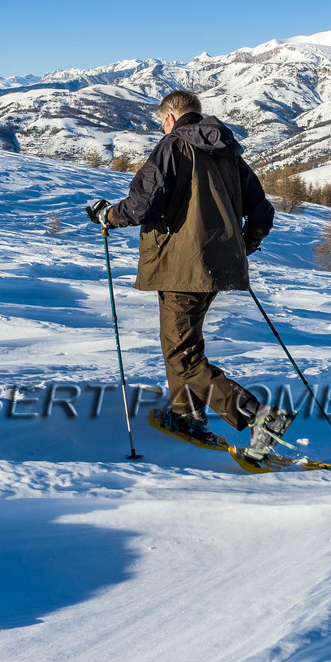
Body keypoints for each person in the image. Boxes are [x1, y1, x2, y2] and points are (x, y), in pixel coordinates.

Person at [85, 90, 292, 458]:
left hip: (182, 266)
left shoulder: (173, 146)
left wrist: (108, 215)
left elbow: (143, 204)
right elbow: (262, 211)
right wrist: (242, 246)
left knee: (182, 353)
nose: (162, 128)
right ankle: (188, 415)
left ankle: (257, 415)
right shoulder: (230, 153)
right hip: (217, 266)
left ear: (170, 117)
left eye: (161, 123)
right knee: (180, 342)